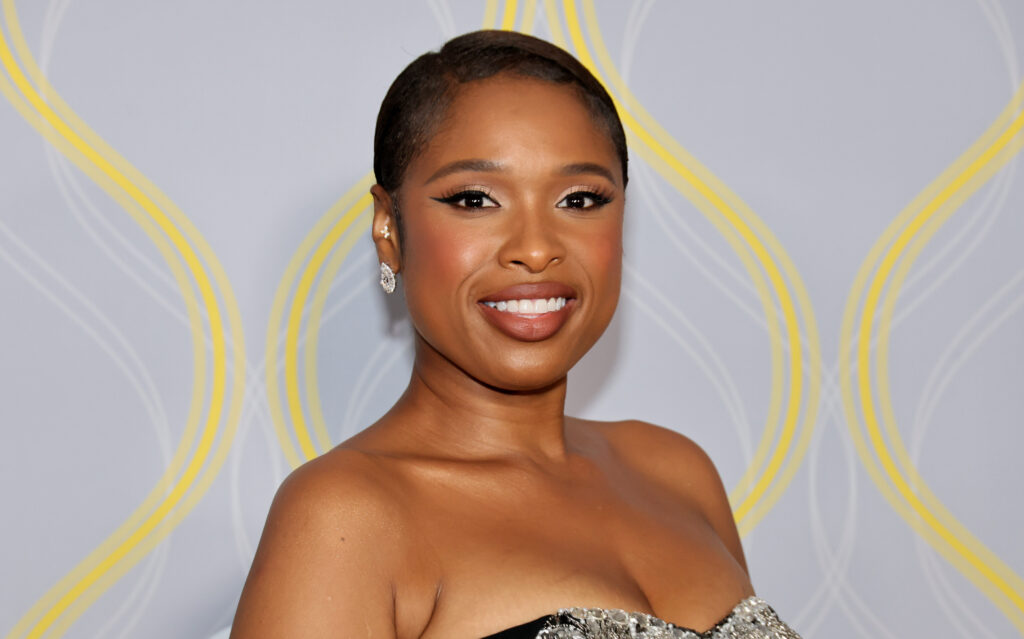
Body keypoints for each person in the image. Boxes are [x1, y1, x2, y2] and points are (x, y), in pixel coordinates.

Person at [230, 30, 801, 639]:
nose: (534, 248)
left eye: (580, 200)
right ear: (388, 229)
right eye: (475, 199)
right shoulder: (345, 517)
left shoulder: (678, 473)